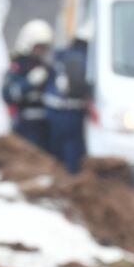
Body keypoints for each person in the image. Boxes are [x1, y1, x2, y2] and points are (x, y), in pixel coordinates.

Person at [3, 19, 56, 157]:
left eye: (44, 48)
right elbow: (7, 94)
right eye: (39, 47)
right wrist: (29, 83)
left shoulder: (46, 67)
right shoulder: (18, 67)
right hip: (24, 126)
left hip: (46, 126)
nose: (41, 52)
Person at [45, 23, 92, 174]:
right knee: (72, 154)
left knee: (55, 151)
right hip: (73, 113)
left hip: (53, 111)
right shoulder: (87, 58)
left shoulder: (60, 54)